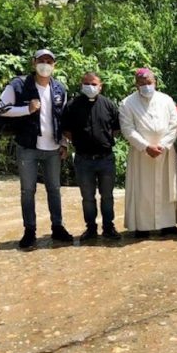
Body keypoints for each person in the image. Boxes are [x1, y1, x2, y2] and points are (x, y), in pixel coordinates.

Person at [0, 49, 73, 249]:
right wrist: (26, 109)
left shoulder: (59, 89)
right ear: (34, 63)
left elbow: (63, 118)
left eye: (49, 61)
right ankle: (29, 230)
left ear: (54, 65)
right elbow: (0, 109)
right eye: (41, 60)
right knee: (27, 190)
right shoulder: (18, 85)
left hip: (53, 148)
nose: (45, 64)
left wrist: (64, 143)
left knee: (54, 190)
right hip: (27, 147)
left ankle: (58, 227)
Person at [119, 68, 177, 238]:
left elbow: (174, 124)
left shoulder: (166, 100)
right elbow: (127, 129)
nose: (146, 86)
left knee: (167, 187)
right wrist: (146, 146)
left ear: (155, 82)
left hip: (165, 152)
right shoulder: (127, 103)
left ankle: (168, 224)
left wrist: (163, 145)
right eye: (142, 83)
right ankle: (142, 226)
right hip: (141, 154)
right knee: (142, 189)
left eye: (149, 82)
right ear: (136, 84)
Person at [61, 72, 121, 241]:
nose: (90, 86)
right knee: (87, 197)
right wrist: (82, 142)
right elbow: (66, 130)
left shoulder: (109, 105)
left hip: (106, 159)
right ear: (81, 85)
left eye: (94, 84)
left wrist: (102, 141)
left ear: (100, 86)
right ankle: (91, 229)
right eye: (87, 83)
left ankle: (109, 227)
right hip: (83, 159)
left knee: (107, 196)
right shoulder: (72, 106)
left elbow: (116, 129)